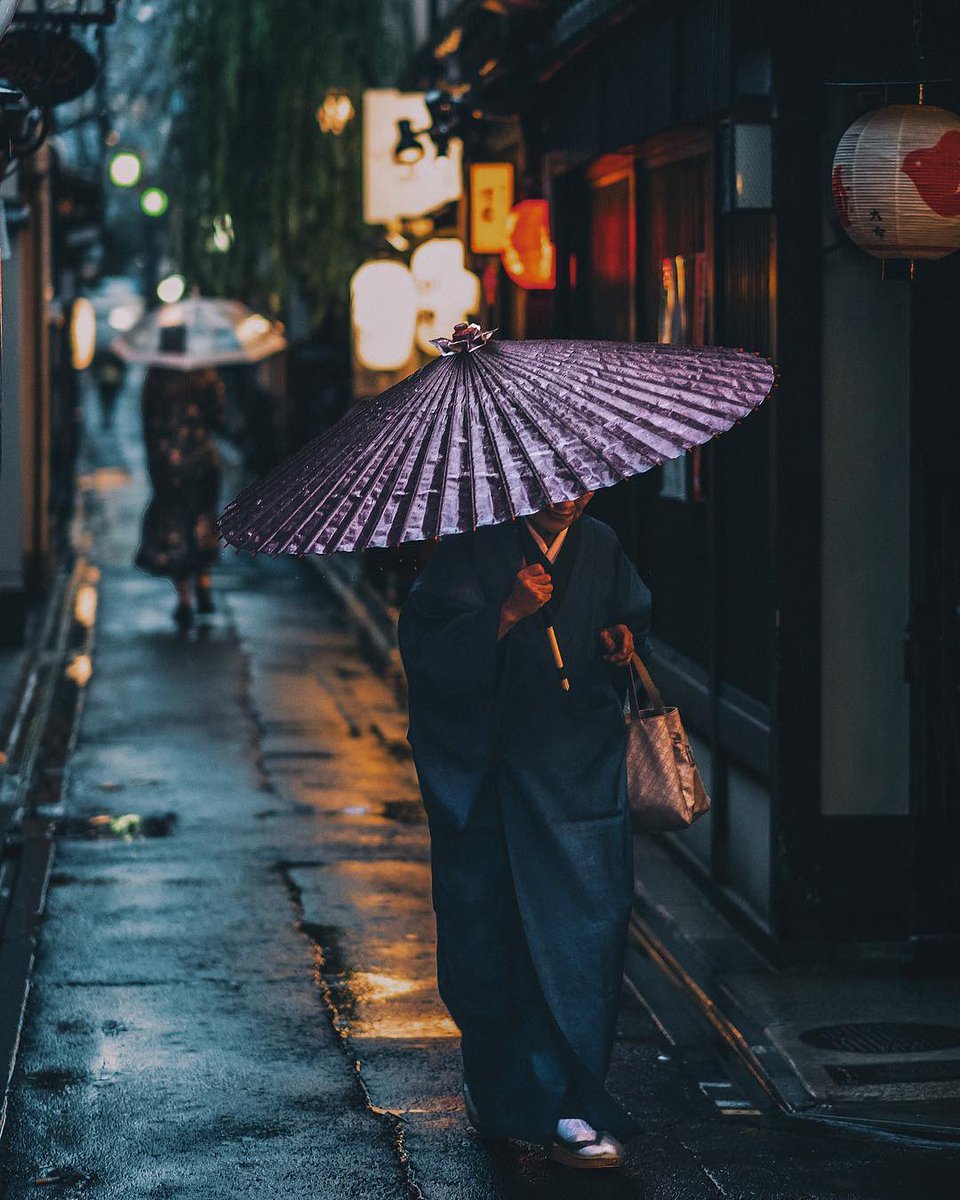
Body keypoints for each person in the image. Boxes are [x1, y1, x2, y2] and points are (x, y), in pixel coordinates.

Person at [398, 493, 652, 1170]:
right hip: (495, 777)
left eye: (582, 481)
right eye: (556, 483)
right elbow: (424, 654)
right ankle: (502, 1088)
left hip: (579, 771)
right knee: (496, 938)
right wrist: (505, 615)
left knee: (584, 931)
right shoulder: (469, 548)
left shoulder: (598, 543)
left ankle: (571, 1099)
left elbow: (632, 613)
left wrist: (621, 641)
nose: (571, 497)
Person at [135, 325, 226, 628]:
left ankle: (184, 598)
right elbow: (218, 416)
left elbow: (147, 423)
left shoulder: (156, 377)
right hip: (203, 459)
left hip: (168, 463)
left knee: (174, 524)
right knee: (203, 518)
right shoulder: (204, 373)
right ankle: (204, 581)